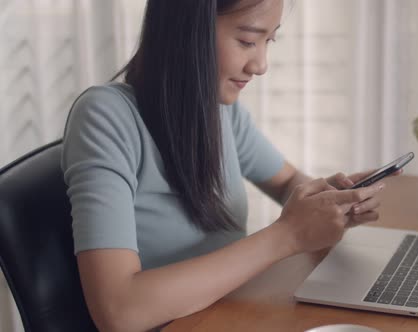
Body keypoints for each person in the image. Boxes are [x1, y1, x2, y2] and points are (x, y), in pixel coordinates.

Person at [61, 0, 397, 331]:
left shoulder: (218, 109)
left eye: (269, 41)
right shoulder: (105, 117)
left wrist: (330, 203)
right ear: (188, 30)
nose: (261, 64)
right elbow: (118, 311)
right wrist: (288, 235)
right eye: (248, 41)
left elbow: (286, 181)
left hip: (231, 313)